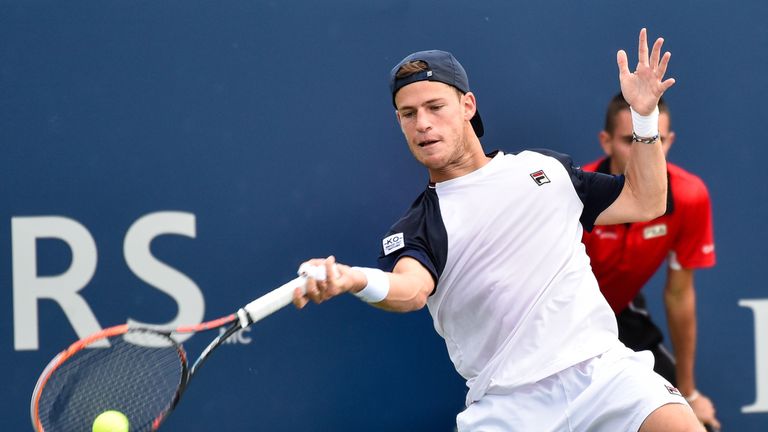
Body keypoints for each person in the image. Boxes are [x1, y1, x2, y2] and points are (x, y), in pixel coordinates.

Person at [292, 29, 703, 431]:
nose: (423, 124)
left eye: (435, 107)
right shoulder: (419, 225)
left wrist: (645, 118)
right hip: (509, 407)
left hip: (602, 373)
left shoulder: (544, 170)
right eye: (409, 114)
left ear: (468, 105)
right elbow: (410, 291)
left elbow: (645, 200)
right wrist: (353, 279)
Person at [582, 93, 720, 430]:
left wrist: (688, 391)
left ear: (669, 141)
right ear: (606, 142)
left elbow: (678, 296)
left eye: (654, 139)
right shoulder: (575, 193)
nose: (644, 150)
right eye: (631, 140)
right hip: (560, 324)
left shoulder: (689, 195)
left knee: (696, 424)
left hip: (623, 317)